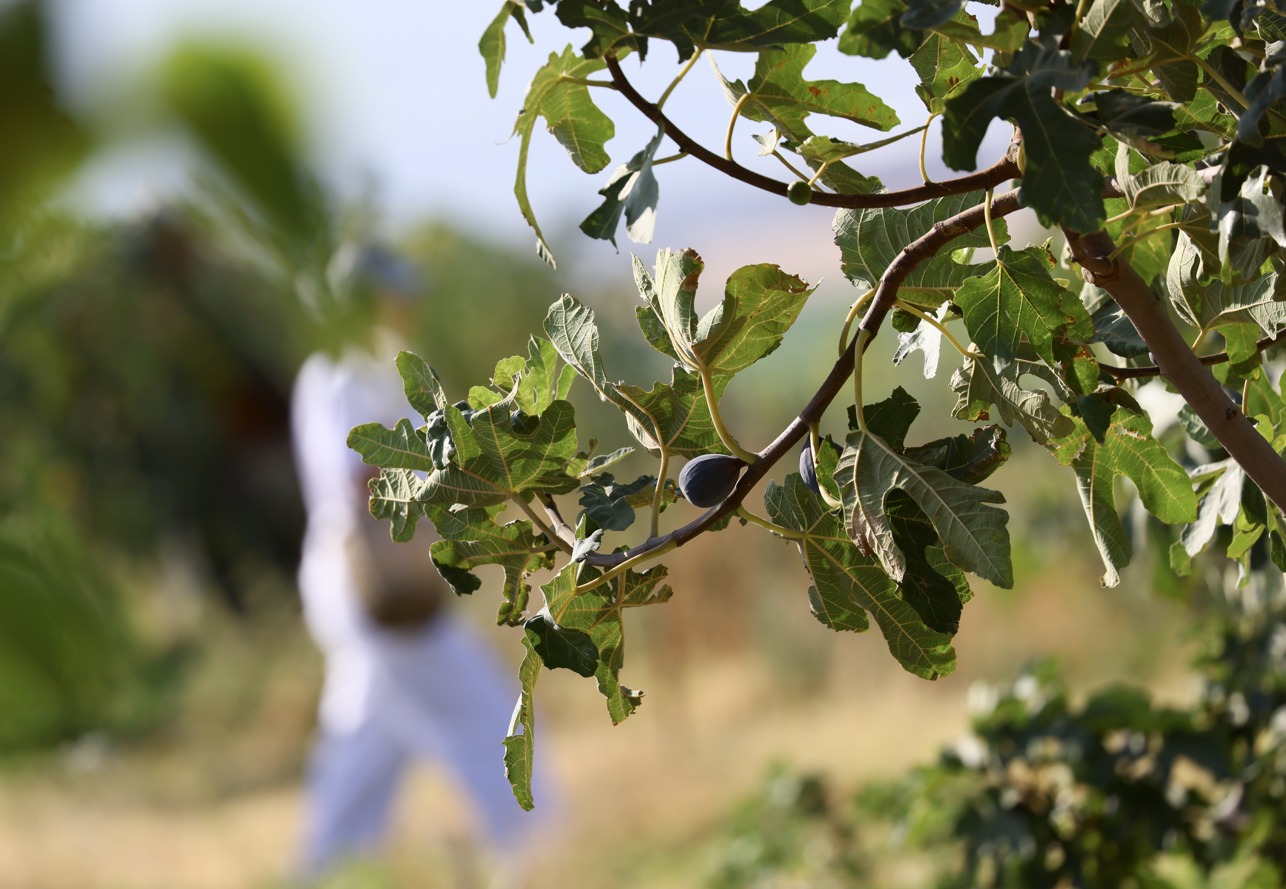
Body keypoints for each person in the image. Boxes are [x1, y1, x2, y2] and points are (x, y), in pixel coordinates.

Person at [290, 254, 549, 884]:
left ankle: (320, 874)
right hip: (371, 586)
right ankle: (543, 847)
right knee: (488, 719)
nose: (407, 305)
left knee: (363, 748)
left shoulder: (366, 368)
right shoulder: (337, 373)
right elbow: (358, 478)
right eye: (392, 295)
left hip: (369, 590)